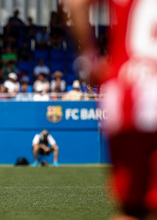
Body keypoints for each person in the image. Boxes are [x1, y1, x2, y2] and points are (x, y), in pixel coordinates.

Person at [65, 0, 157, 219]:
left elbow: (75, 4)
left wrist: (88, 57)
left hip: (129, 90)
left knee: (133, 208)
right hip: (142, 92)